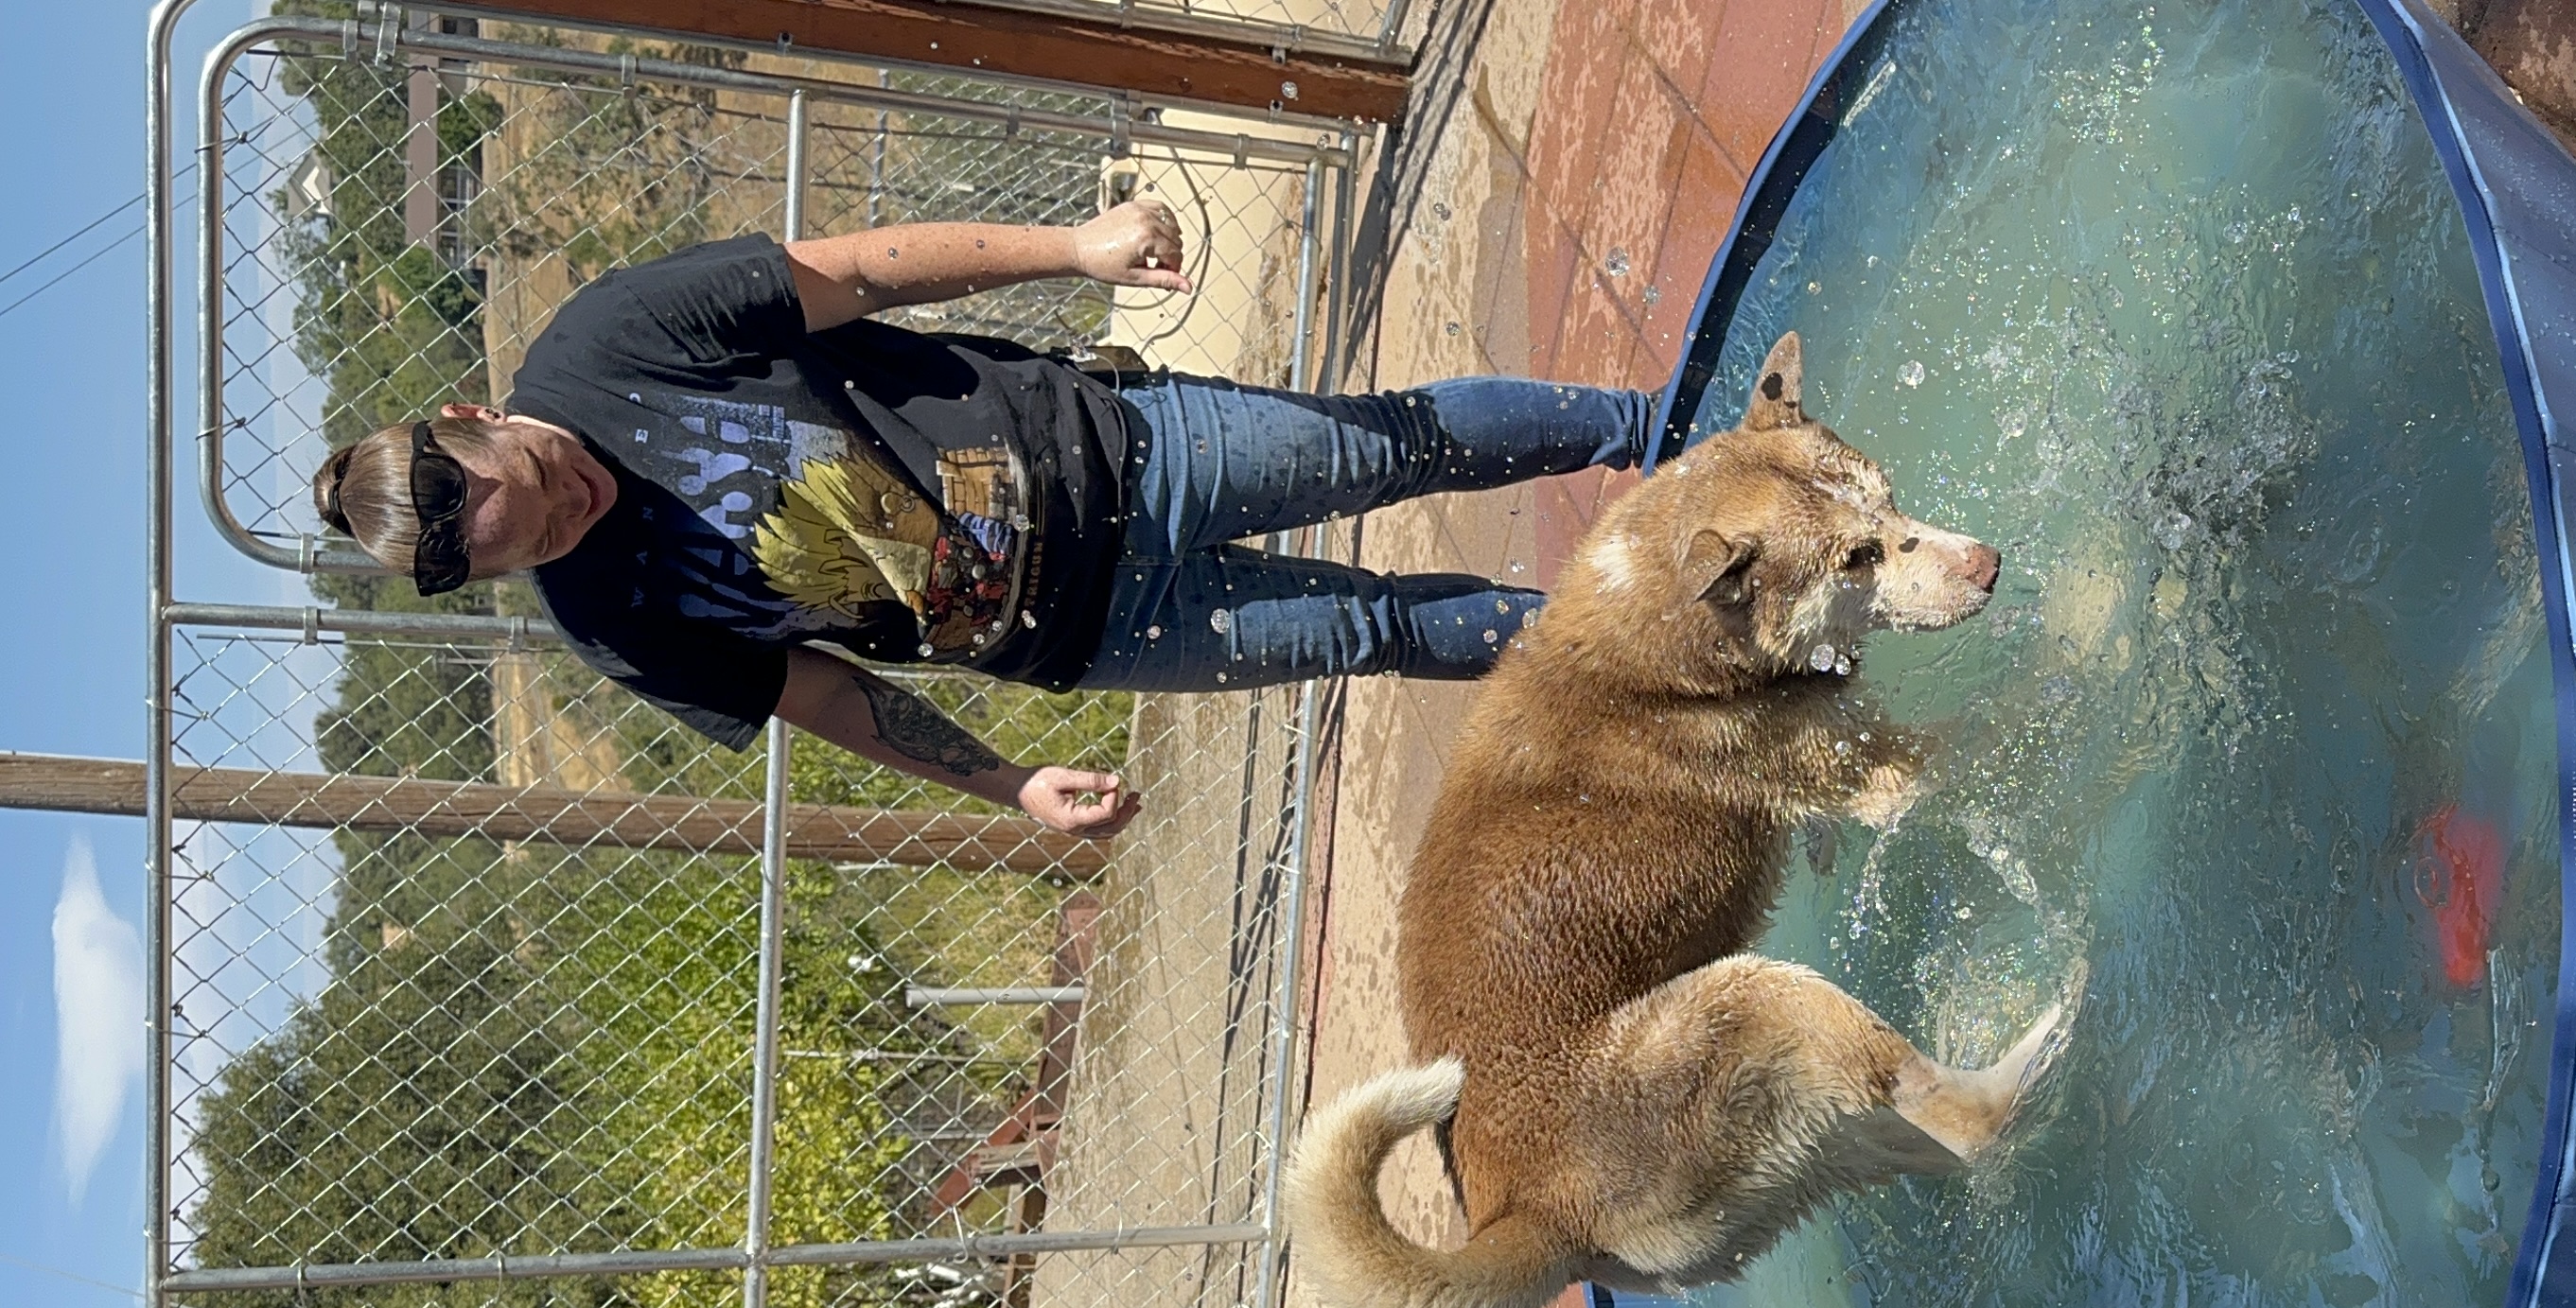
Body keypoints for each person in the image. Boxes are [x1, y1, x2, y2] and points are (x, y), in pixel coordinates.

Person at [311, 197, 1654, 838]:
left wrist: (1074, 247)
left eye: (546, 487)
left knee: (1394, 444)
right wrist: (1009, 785)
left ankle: (1660, 430)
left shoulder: (610, 341)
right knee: (1365, 627)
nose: (572, 515)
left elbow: (853, 274)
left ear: (478, 415)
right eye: (539, 544)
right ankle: (1649, 645)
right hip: (1090, 634)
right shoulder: (608, 618)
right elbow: (825, 698)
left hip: (1123, 453)